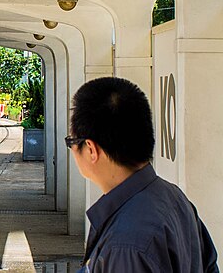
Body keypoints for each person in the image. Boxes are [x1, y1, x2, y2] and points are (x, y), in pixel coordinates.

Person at [68, 77, 218, 272]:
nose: (71, 150)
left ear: (91, 149)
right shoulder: (174, 197)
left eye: (70, 142)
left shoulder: (125, 245)